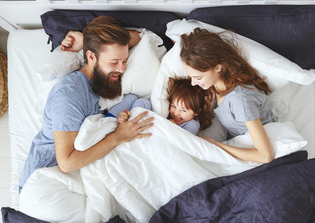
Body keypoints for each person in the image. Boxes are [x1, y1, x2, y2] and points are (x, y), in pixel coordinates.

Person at [19, 16, 154, 190]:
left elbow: (140, 38)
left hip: (73, 177)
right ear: (91, 56)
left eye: (124, 61)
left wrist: (86, 39)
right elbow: (66, 163)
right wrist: (118, 137)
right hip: (42, 182)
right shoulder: (70, 94)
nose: (121, 69)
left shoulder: (99, 78)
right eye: (114, 62)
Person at [180, 28, 275, 163]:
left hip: (253, 153)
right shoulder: (216, 85)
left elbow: (265, 156)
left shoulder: (240, 100)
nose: (193, 83)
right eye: (191, 77)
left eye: (198, 78)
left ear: (218, 67)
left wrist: (216, 145)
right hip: (237, 144)